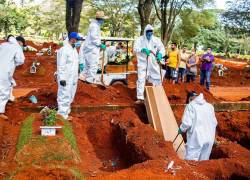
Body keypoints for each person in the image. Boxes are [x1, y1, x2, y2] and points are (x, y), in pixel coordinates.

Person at [178, 91, 217, 161]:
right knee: (204, 161)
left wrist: (181, 129)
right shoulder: (210, 106)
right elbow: (214, 123)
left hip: (196, 139)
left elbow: (187, 123)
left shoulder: (190, 106)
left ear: (189, 99)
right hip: (209, 138)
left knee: (191, 161)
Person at [134, 24, 165, 104]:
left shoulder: (156, 40)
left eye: (151, 32)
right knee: (141, 79)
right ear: (145, 32)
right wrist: (142, 49)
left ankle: (158, 95)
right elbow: (135, 48)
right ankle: (140, 98)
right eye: (148, 32)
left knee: (157, 78)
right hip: (143, 63)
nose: (149, 33)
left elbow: (162, 48)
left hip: (153, 62)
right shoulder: (140, 39)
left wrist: (160, 54)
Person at [0, 36, 25, 120]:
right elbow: (20, 60)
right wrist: (13, 63)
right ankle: (0, 112)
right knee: (4, 91)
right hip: (4, 72)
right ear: (20, 43)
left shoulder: (2, 45)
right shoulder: (17, 47)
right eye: (22, 44)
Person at [57, 32, 80, 120]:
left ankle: (66, 113)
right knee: (64, 96)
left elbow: (74, 64)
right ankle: (62, 115)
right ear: (72, 39)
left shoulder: (73, 50)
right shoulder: (64, 50)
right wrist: (62, 78)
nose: (77, 41)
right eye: (76, 39)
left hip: (73, 77)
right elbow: (61, 65)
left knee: (70, 95)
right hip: (66, 78)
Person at [80, 11, 108, 84]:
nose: (103, 21)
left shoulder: (94, 25)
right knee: (94, 65)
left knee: (88, 65)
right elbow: (94, 38)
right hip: (92, 49)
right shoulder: (94, 26)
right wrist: (100, 44)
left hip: (89, 48)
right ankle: (89, 81)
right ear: (100, 19)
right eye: (103, 19)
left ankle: (83, 77)